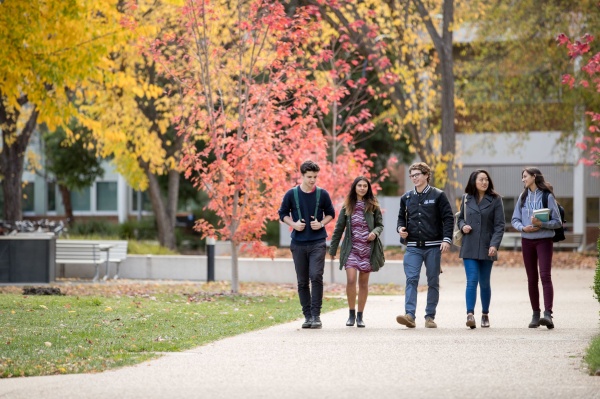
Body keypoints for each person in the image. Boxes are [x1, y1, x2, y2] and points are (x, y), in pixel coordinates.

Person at [396, 162, 454, 328]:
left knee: (433, 281)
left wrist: (446, 239)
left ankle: (429, 316)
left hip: (433, 246)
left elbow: (448, 218)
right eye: (412, 175)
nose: (414, 178)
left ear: (426, 175)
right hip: (413, 246)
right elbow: (401, 218)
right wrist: (401, 229)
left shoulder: (438, 195)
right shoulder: (406, 198)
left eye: (417, 175)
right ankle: (409, 315)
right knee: (412, 278)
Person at [278, 160, 335, 329]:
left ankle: (316, 316)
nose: (312, 180)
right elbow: (282, 214)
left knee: (316, 276)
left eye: (315, 177)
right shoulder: (291, 194)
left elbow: (331, 213)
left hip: (318, 242)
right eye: (309, 177)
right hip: (298, 244)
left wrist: (322, 223)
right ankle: (307, 316)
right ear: (302, 176)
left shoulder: (322, 194)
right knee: (302, 281)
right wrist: (294, 224)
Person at [329, 176, 385, 328]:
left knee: (364, 283)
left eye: (365, 186)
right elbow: (339, 228)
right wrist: (332, 249)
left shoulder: (373, 205)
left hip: (368, 249)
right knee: (351, 280)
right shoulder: (347, 206)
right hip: (351, 249)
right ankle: (351, 313)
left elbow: (380, 225)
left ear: (368, 189)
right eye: (359, 185)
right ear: (354, 187)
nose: (362, 188)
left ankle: (360, 316)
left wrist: (375, 232)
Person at [511, 167, 562, 329]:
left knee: (545, 276)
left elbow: (558, 222)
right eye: (522, 177)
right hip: (527, 241)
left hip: (544, 241)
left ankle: (548, 314)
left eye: (525, 176)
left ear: (534, 177)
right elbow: (514, 219)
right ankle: (535, 314)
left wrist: (542, 224)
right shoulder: (523, 196)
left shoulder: (547, 196)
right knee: (532, 279)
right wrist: (523, 228)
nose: (523, 179)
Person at [456, 170, 505, 329]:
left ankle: (485, 314)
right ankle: (470, 314)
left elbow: (499, 225)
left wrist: (494, 245)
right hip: (469, 246)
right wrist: (463, 227)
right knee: (472, 280)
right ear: (474, 182)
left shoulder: (496, 200)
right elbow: (460, 218)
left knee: (484, 282)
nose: (484, 182)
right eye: (481, 179)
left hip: (487, 246)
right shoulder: (465, 198)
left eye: (486, 180)